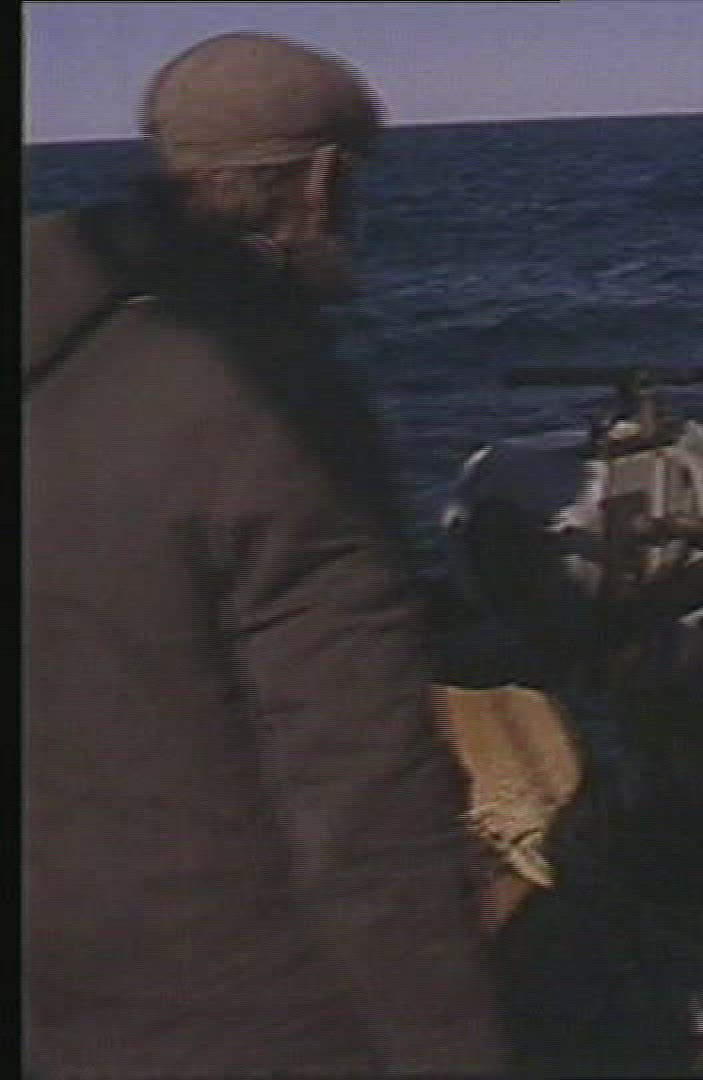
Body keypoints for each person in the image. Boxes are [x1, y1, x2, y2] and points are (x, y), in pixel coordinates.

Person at [23, 33, 507, 1076]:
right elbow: (362, 785)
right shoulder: (268, 404)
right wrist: (447, 1045)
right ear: (323, 182)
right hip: (238, 1002)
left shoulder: (50, 351)